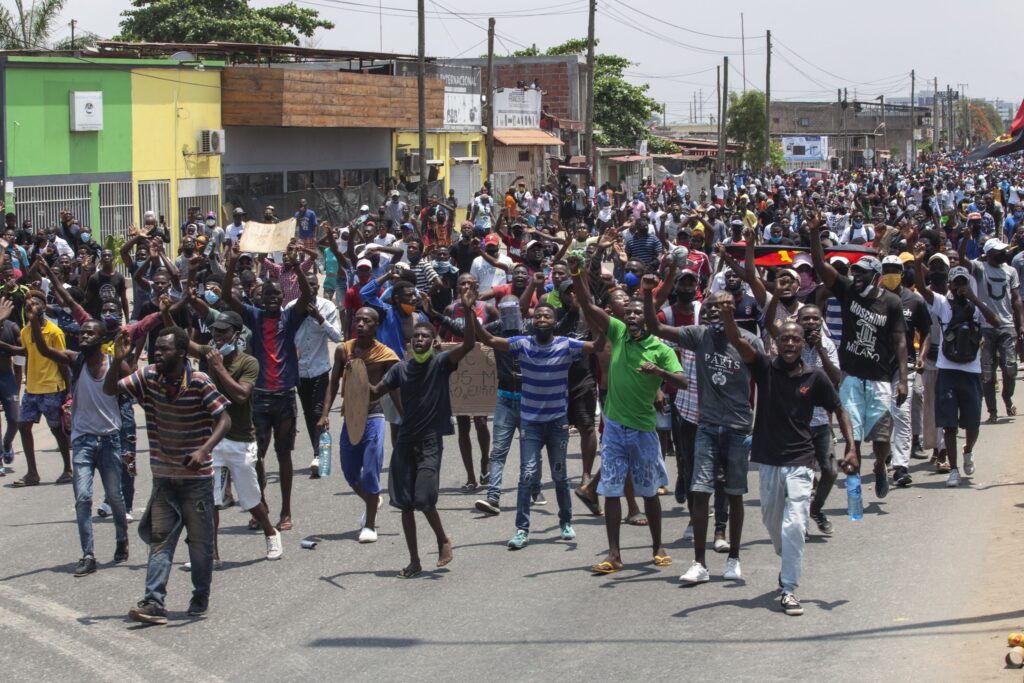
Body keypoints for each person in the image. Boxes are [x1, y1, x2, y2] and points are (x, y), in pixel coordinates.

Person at [722, 310, 857, 616]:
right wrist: (729, 313)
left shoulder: (815, 376)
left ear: (801, 345)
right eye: (785, 339)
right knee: (775, 526)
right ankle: (788, 558)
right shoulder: (764, 367)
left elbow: (839, 407)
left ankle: (789, 589)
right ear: (775, 344)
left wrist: (851, 447)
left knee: (795, 524)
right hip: (768, 460)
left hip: (801, 460)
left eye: (796, 339)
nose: (791, 343)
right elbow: (735, 339)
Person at [104, 327, 231, 624]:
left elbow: (224, 419)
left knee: (199, 545)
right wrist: (117, 359)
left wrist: (203, 450)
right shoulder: (148, 377)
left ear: (182, 352)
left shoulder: (199, 382)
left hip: (197, 480)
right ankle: (153, 601)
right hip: (163, 477)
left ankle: (200, 596)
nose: (157, 353)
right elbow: (111, 390)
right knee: (160, 541)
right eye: (156, 349)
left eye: (164, 349)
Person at [570, 256, 686, 574]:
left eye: (639, 313)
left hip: (645, 430)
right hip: (616, 429)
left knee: (649, 493)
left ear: (648, 319)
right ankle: (614, 554)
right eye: (629, 312)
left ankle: (657, 546)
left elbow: (683, 381)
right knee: (610, 491)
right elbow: (586, 303)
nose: (633, 316)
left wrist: (658, 371)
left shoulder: (660, 348)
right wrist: (577, 272)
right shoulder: (618, 332)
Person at [648, 287, 761, 584]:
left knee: (735, 494)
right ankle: (699, 564)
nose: (713, 312)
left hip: (737, 428)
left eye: (721, 308)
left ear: (733, 309)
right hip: (707, 425)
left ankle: (734, 558)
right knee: (700, 491)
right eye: (709, 308)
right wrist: (649, 294)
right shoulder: (699, 336)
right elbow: (655, 327)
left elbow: (759, 370)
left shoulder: (750, 341)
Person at [472, 300, 604, 550]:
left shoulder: (566, 345)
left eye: (548, 316)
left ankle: (565, 521)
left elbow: (596, 346)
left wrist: (601, 318)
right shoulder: (522, 344)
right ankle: (522, 530)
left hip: (557, 423)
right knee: (527, 475)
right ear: (533, 322)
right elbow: (489, 341)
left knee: (560, 475)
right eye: (539, 316)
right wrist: (470, 312)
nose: (543, 319)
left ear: (555, 323)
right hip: (531, 423)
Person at [368, 293, 477, 578]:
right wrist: (354, 377)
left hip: (430, 441)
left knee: (424, 499)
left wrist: (466, 310)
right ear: (408, 343)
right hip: (405, 443)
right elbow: (374, 392)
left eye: (424, 337)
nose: (419, 340)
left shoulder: (441, 364)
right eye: (415, 337)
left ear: (433, 342)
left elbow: (468, 343)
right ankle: (414, 561)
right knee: (405, 504)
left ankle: (442, 539)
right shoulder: (399, 370)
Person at [809, 214, 907, 499]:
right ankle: (855, 488)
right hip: (850, 375)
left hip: (880, 378)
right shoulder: (848, 290)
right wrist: (815, 234)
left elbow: (900, 341)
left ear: (876, 276)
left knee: (880, 437)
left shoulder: (891, 302)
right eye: (855, 271)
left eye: (863, 273)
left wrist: (902, 379)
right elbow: (819, 264)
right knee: (852, 435)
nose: (856, 276)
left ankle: (879, 466)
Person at [223, 242, 313, 531]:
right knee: (256, 455)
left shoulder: (291, 316)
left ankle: (286, 512)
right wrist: (232, 265)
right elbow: (226, 295)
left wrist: (297, 266)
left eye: (277, 294)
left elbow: (307, 294)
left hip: (285, 397)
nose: (273, 298)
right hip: (259, 398)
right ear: (260, 299)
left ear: (283, 297)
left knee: (283, 455)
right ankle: (259, 506)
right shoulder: (254, 315)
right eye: (267, 294)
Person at [31, 318, 131, 576]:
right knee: (83, 498)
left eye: (89, 334)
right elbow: (44, 351)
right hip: (83, 440)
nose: (83, 337)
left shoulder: (115, 363)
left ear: (101, 339)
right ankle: (88, 554)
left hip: (110, 440)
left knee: (116, 497)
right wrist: (33, 321)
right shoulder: (77, 361)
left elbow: (138, 388)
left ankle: (122, 537)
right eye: (82, 333)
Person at [188, 311, 283, 564]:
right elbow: (183, 343)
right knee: (213, 501)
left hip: (240, 441)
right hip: (213, 442)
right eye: (216, 332)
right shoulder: (210, 352)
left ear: (237, 334)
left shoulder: (248, 362)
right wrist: (167, 315)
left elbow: (241, 395)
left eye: (224, 332)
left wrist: (219, 368)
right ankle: (212, 554)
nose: (219, 337)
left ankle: (270, 533)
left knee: (251, 499)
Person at [913, 251, 999, 488]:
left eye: (964, 281)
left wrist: (975, 298)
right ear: (950, 284)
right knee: (949, 423)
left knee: (972, 424)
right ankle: (953, 469)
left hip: (971, 371)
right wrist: (917, 258)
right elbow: (921, 288)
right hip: (947, 370)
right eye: (956, 282)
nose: (960, 285)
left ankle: (968, 450)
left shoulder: (975, 306)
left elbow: (996, 323)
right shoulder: (942, 303)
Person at [319, 307, 400, 543]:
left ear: (376, 325)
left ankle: (371, 525)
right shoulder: (344, 351)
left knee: (371, 469)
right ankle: (372, 499)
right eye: (358, 319)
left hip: (374, 416)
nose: (361, 323)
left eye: (367, 320)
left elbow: (394, 389)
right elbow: (333, 383)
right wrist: (325, 414)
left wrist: (404, 416)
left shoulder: (386, 355)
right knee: (349, 471)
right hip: (351, 417)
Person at [283, 273, 342, 478]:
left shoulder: (328, 306)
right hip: (299, 371)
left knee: (318, 411)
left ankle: (318, 454)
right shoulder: (291, 307)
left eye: (315, 285)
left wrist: (320, 319)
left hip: (319, 368)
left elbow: (337, 336)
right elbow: (283, 334)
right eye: (308, 285)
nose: (312, 288)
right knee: (308, 413)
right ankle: (318, 447)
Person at [12, 294, 71, 487]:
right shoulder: (25, 331)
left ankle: (68, 469)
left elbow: (63, 361)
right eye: (29, 304)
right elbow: (26, 353)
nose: (32, 307)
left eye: (36, 303)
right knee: (23, 426)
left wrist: (68, 390)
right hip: (32, 388)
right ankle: (32, 473)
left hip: (52, 387)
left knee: (56, 429)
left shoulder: (55, 332)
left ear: (44, 306)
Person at [965, 238, 1024, 423]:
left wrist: (1020, 323)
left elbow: (1016, 299)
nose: (1003, 253)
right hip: (985, 327)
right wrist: (965, 239)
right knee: (987, 372)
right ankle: (992, 411)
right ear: (989, 253)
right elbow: (962, 260)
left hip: (1007, 324)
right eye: (998, 251)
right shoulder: (980, 268)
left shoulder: (1010, 271)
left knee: (1010, 368)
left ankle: (1007, 396)